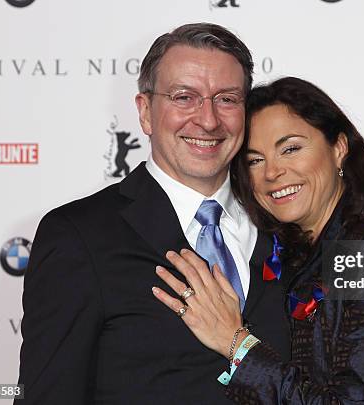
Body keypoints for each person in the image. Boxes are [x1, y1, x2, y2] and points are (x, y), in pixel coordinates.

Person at [15, 23, 290, 405]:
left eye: (226, 99)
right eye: (184, 97)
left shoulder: (286, 226)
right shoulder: (80, 235)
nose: (208, 120)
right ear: (145, 112)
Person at [152, 77, 364, 404]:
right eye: (255, 160)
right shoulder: (290, 249)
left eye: (291, 149)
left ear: (339, 148)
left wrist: (236, 341)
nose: (272, 172)